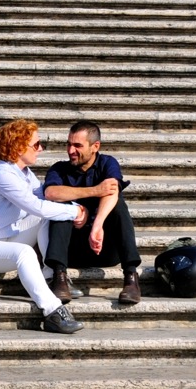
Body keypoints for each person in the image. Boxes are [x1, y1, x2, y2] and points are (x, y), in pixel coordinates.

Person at [0, 119, 86, 334]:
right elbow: (37, 206)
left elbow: (45, 201)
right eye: (36, 144)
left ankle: (52, 275)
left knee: (47, 216)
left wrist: (75, 206)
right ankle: (52, 312)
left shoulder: (24, 173)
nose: (41, 149)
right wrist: (75, 212)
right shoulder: (2, 175)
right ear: (19, 146)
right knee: (25, 252)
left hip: (7, 237)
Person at [43, 120, 142, 306]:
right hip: (68, 251)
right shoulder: (59, 169)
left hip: (103, 248)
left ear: (95, 146)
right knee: (62, 210)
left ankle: (131, 277)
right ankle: (59, 277)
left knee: (119, 204)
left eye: (78, 145)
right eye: (69, 144)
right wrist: (94, 193)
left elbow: (112, 191)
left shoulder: (107, 163)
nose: (71, 150)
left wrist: (97, 225)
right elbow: (50, 193)